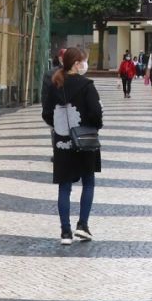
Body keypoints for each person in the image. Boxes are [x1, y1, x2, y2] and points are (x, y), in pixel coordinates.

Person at [41, 45, 102, 245]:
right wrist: (94, 126)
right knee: (88, 182)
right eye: (83, 61)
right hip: (84, 140)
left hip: (62, 142)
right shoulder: (87, 85)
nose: (85, 64)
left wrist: (60, 128)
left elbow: (47, 113)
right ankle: (82, 226)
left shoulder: (54, 84)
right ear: (76, 64)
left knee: (64, 187)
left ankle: (65, 232)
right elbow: (95, 113)